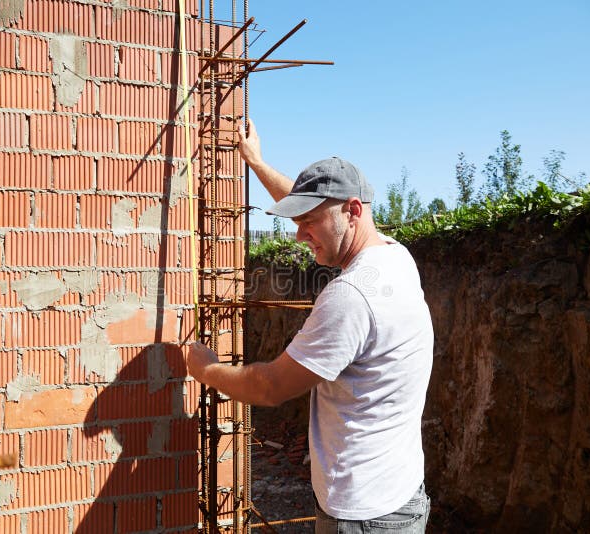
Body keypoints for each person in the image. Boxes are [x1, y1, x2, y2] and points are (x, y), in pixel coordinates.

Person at [186, 120, 434, 533]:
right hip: (401, 495)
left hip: (362, 517)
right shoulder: (395, 257)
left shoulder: (351, 297)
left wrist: (206, 369)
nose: (300, 236)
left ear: (353, 211)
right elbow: (313, 210)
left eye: (310, 222)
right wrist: (256, 163)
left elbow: (271, 387)